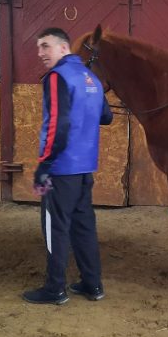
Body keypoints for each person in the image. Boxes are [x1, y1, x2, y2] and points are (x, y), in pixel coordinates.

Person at [22, 28, 113, 305]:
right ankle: (92, 284)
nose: (40, 53)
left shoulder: (56, 77)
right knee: (84, 226)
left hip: (61, 168)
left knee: (55, 227)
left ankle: (55, 289)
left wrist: (44, 164)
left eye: (45, 46)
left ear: (64, 48)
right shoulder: (92, 79)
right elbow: (107, 117)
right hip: (85, 167)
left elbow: (57, 125)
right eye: (39, 48)